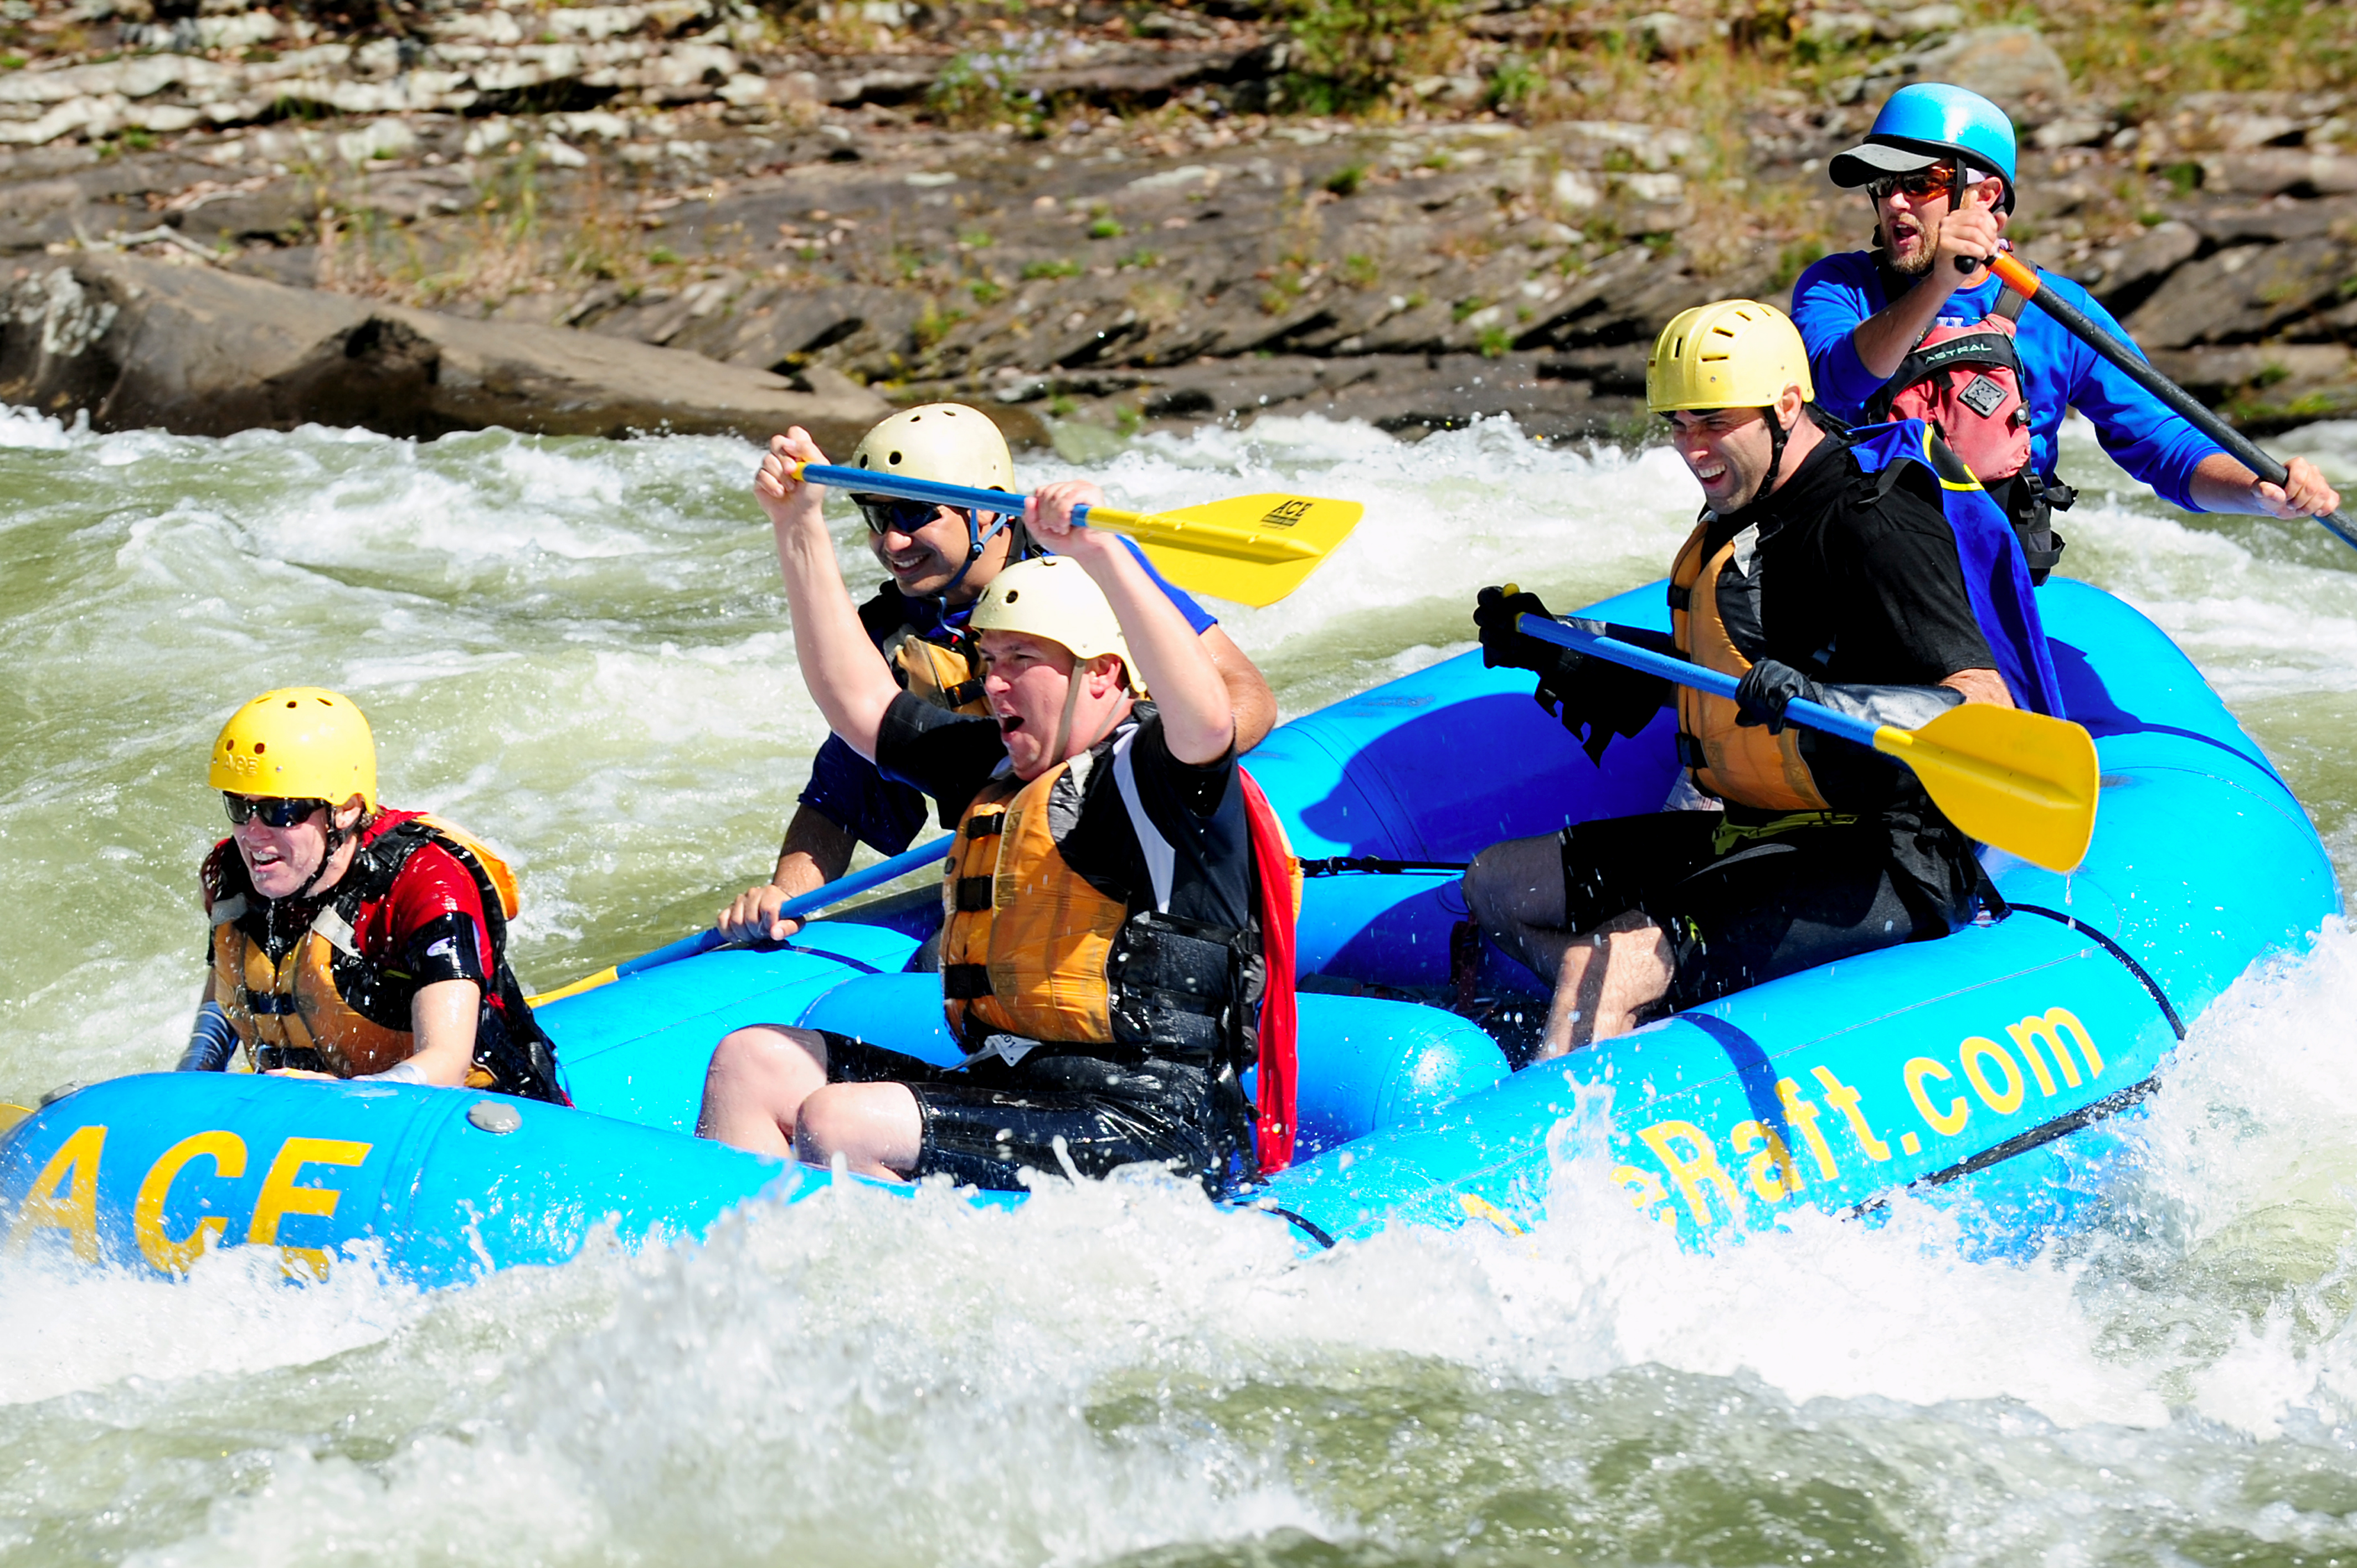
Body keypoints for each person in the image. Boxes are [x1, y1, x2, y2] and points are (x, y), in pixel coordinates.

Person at [694, 427, 1298, 1190]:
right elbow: (860, 706)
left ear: (1105, 676)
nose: (997, 685)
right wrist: (798, 525)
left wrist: (1106, 553)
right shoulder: (1002, 766)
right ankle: (730, 1279)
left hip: (1152, 1118)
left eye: (1023, 662)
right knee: (753, 1061)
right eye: (989, 662)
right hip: (1017, 1084)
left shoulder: (1156, 775)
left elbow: (1215, 717)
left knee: (839, 1121)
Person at [1463, 300, 2055, 1059]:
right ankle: (1650, 1030)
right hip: (1750, 830)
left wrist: (1825, 702)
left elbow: (1982, 698)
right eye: (1677, 424)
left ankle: (1562, 1141)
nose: (1691, 449)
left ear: (1785, 406)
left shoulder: (1874, 521)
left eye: (1713, 423)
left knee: (1600, 967)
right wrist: (1556, 648)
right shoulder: (1745, 505)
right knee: (1496, 885)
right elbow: (1714, 676)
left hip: (1882, 854)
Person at [717, 402, 1277, 946]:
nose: (891, 541)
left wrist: (1180, 774)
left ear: (987, 509)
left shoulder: (1090, 577)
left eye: (913, 513)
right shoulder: (898, 649)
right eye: (876, 516)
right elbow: (846, 774)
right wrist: (784, 901)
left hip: (1147, 808)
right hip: (1012, 827)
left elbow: (1234, 702)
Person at [1790, 81, 2341, 581]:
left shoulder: (2057, 311)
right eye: (1883, 184)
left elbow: (2166, 448)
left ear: (1984, 200)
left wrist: (2256, 491)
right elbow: (1837, 383)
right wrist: (1938, 284)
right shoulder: (1837, 287)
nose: (1892, 201)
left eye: (1918, 183)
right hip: (1856, 573)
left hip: (1993, 581)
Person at [182, 687, 564, 1100]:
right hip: (307, 1116)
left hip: (472, 1118)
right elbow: (231, 991)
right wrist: (189, 1080)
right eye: (240, 807)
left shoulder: (425, 883)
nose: (253, 834)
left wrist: (342, 1097)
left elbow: (446, 1063)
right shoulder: (234, 872)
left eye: (281, 810)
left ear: (345, 809)